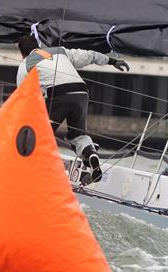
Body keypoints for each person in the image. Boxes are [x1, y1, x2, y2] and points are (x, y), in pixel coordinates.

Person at [16, 35, 130, 182]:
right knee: (77, 135)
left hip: (57, 94)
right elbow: (89, 55)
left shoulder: (25, 65)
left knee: (40, 135)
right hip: (81, 91)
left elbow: (22, 98)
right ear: (38, 45)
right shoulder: (60, 51)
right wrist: (112, 61)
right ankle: (90, 154)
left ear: (22, 53)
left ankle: (38, 172)